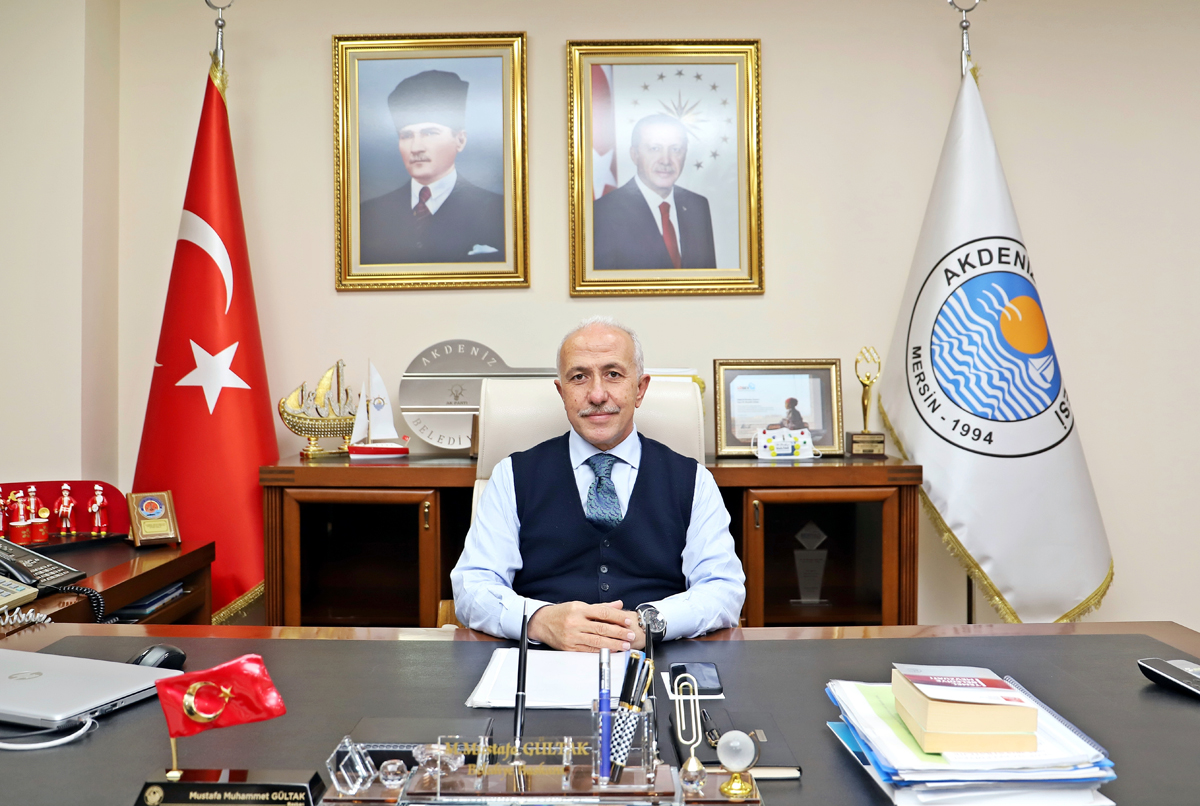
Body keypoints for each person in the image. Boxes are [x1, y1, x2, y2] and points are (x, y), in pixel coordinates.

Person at [451, 316, 745, 652]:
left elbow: (724, 590)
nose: (597, 394)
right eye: (579, 377)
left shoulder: (693, 480)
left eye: (613, 374)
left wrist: (650, 623)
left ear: (640, 388)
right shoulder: (511, 476)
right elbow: (472, 587)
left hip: (656, 660)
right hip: (540, 662)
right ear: (562, 393)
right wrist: (540, 620)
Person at [359, 69, 506, 265]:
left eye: (429, 133)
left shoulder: (498, 211)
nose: (416, 148)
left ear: (460, 140)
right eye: (406, 136)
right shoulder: (368, 214)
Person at [592, 114, 717, 271]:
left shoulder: (698, 206)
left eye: (675, 149)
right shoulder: (602, 213)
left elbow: (708, 280)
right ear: (634, 155)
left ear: (685, 154)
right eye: (655, 149)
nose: (666, 160)